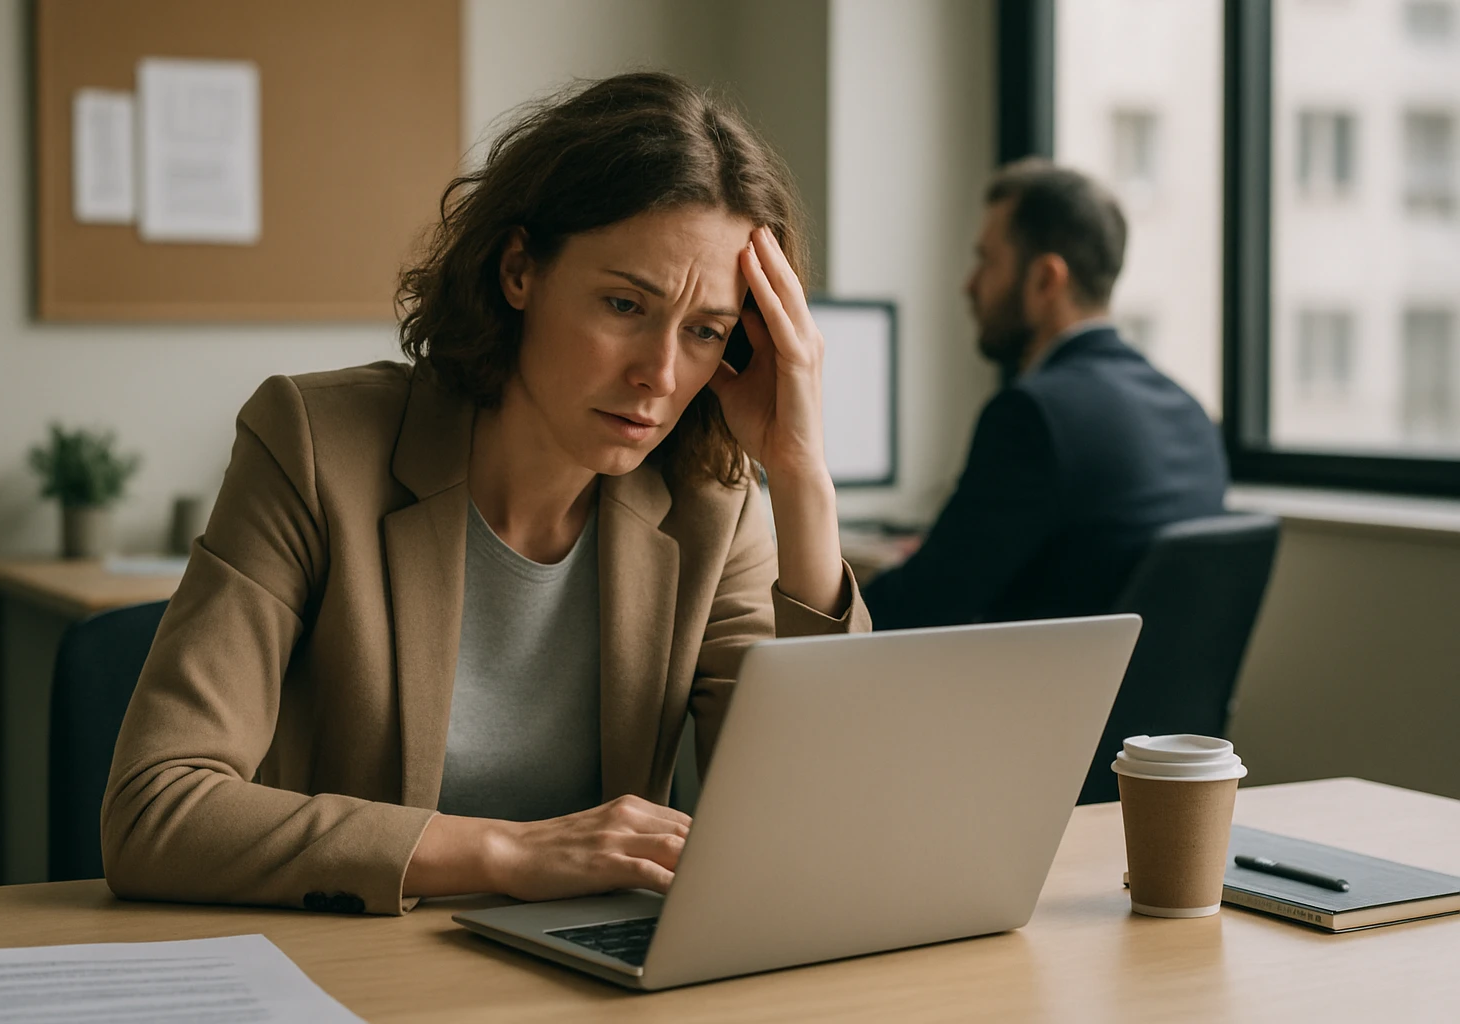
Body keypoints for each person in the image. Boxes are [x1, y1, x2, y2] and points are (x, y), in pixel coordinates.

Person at [101, 72, 869, 916]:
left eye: (704, 332)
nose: (658, 374)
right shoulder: (316, 445)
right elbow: (155, 809)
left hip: (585, 985)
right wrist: (507, 851)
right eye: (624, 304)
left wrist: (800, 472)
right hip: (357, 970)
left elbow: (819, 834)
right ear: (518, 270)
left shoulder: (712, 506)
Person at [862, 159, 1227, 630]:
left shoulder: (1033, 416)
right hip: (1148, 703)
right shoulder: (1192, 413)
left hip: (1036, 700)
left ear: (1045, 280)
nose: (969, 284)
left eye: (986, 261)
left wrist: (830, 594)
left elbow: (918, 607)